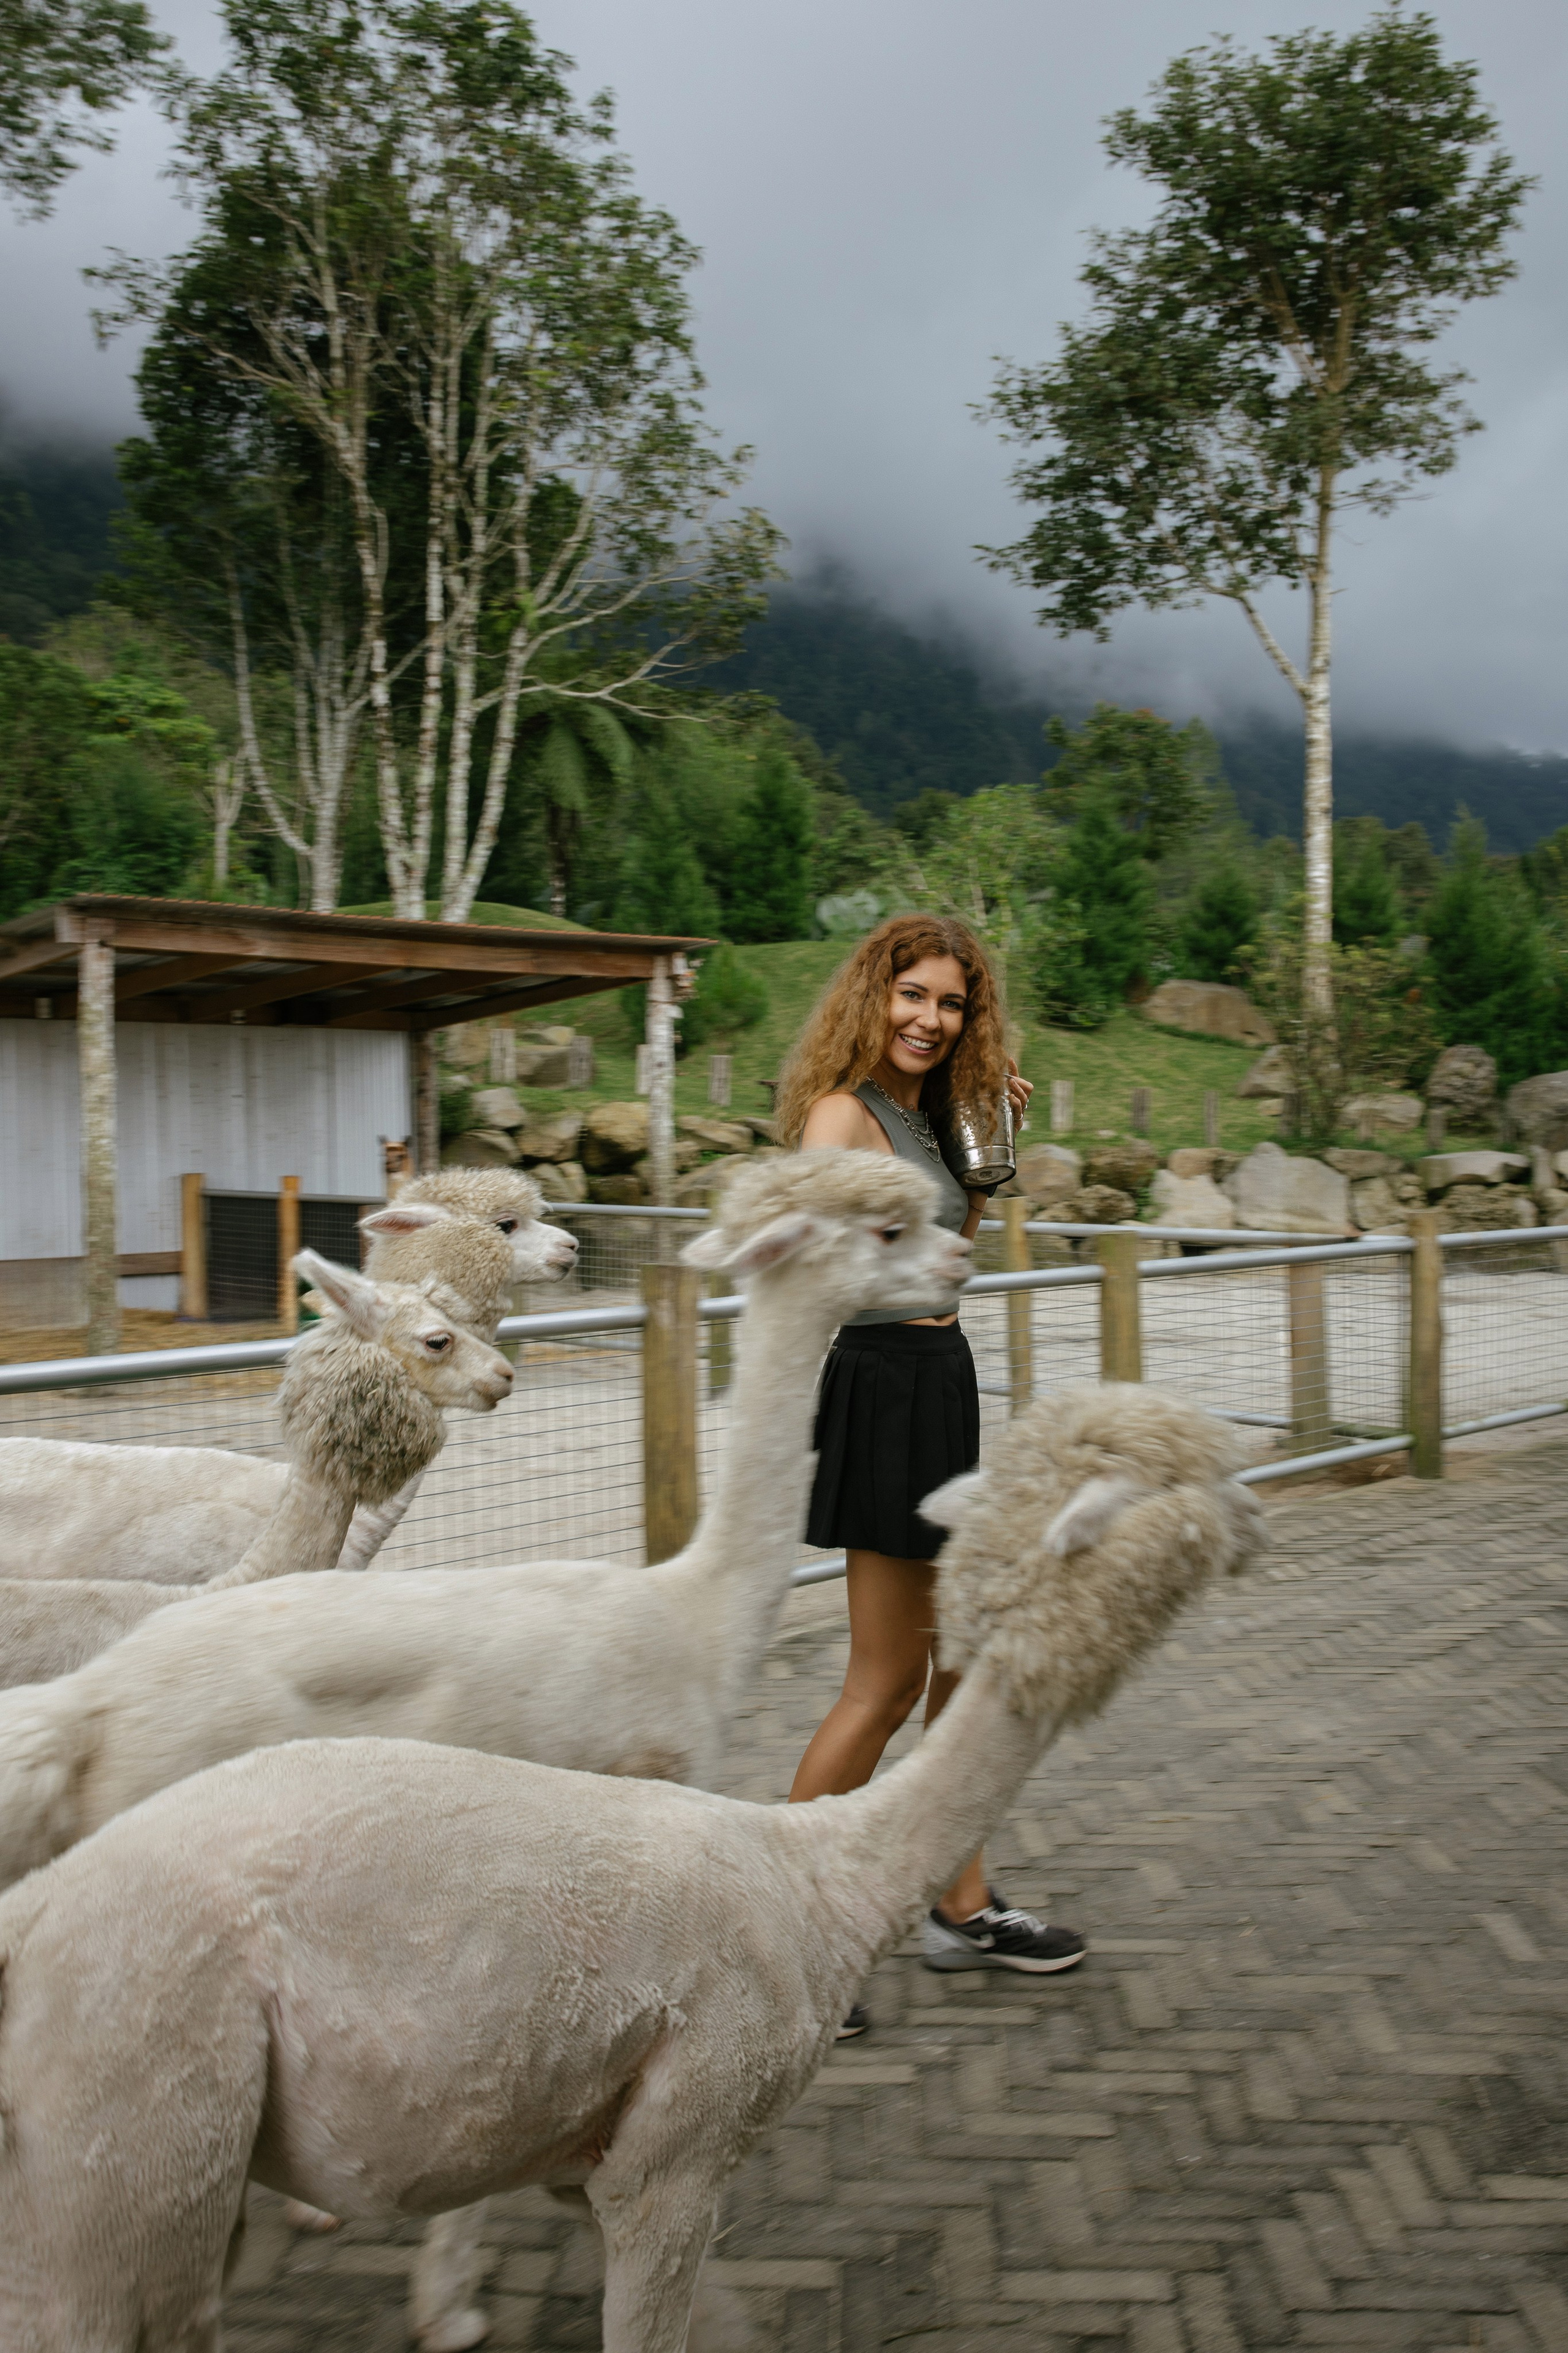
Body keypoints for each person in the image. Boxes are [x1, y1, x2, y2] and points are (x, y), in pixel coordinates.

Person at [775, 913, 1085, 2038]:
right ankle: (778, 1928)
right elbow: (816, 1266)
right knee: (884, 1681)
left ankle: (959, 1901)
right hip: (884, 1381)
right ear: (875, 994)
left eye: (952, 1003)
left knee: (962, 1659)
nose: (930, 1018)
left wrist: (988, 1137)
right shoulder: (840, 1116)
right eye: (914, 995)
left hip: (942, 1372)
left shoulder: (918, 1117)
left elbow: (958, 1238)